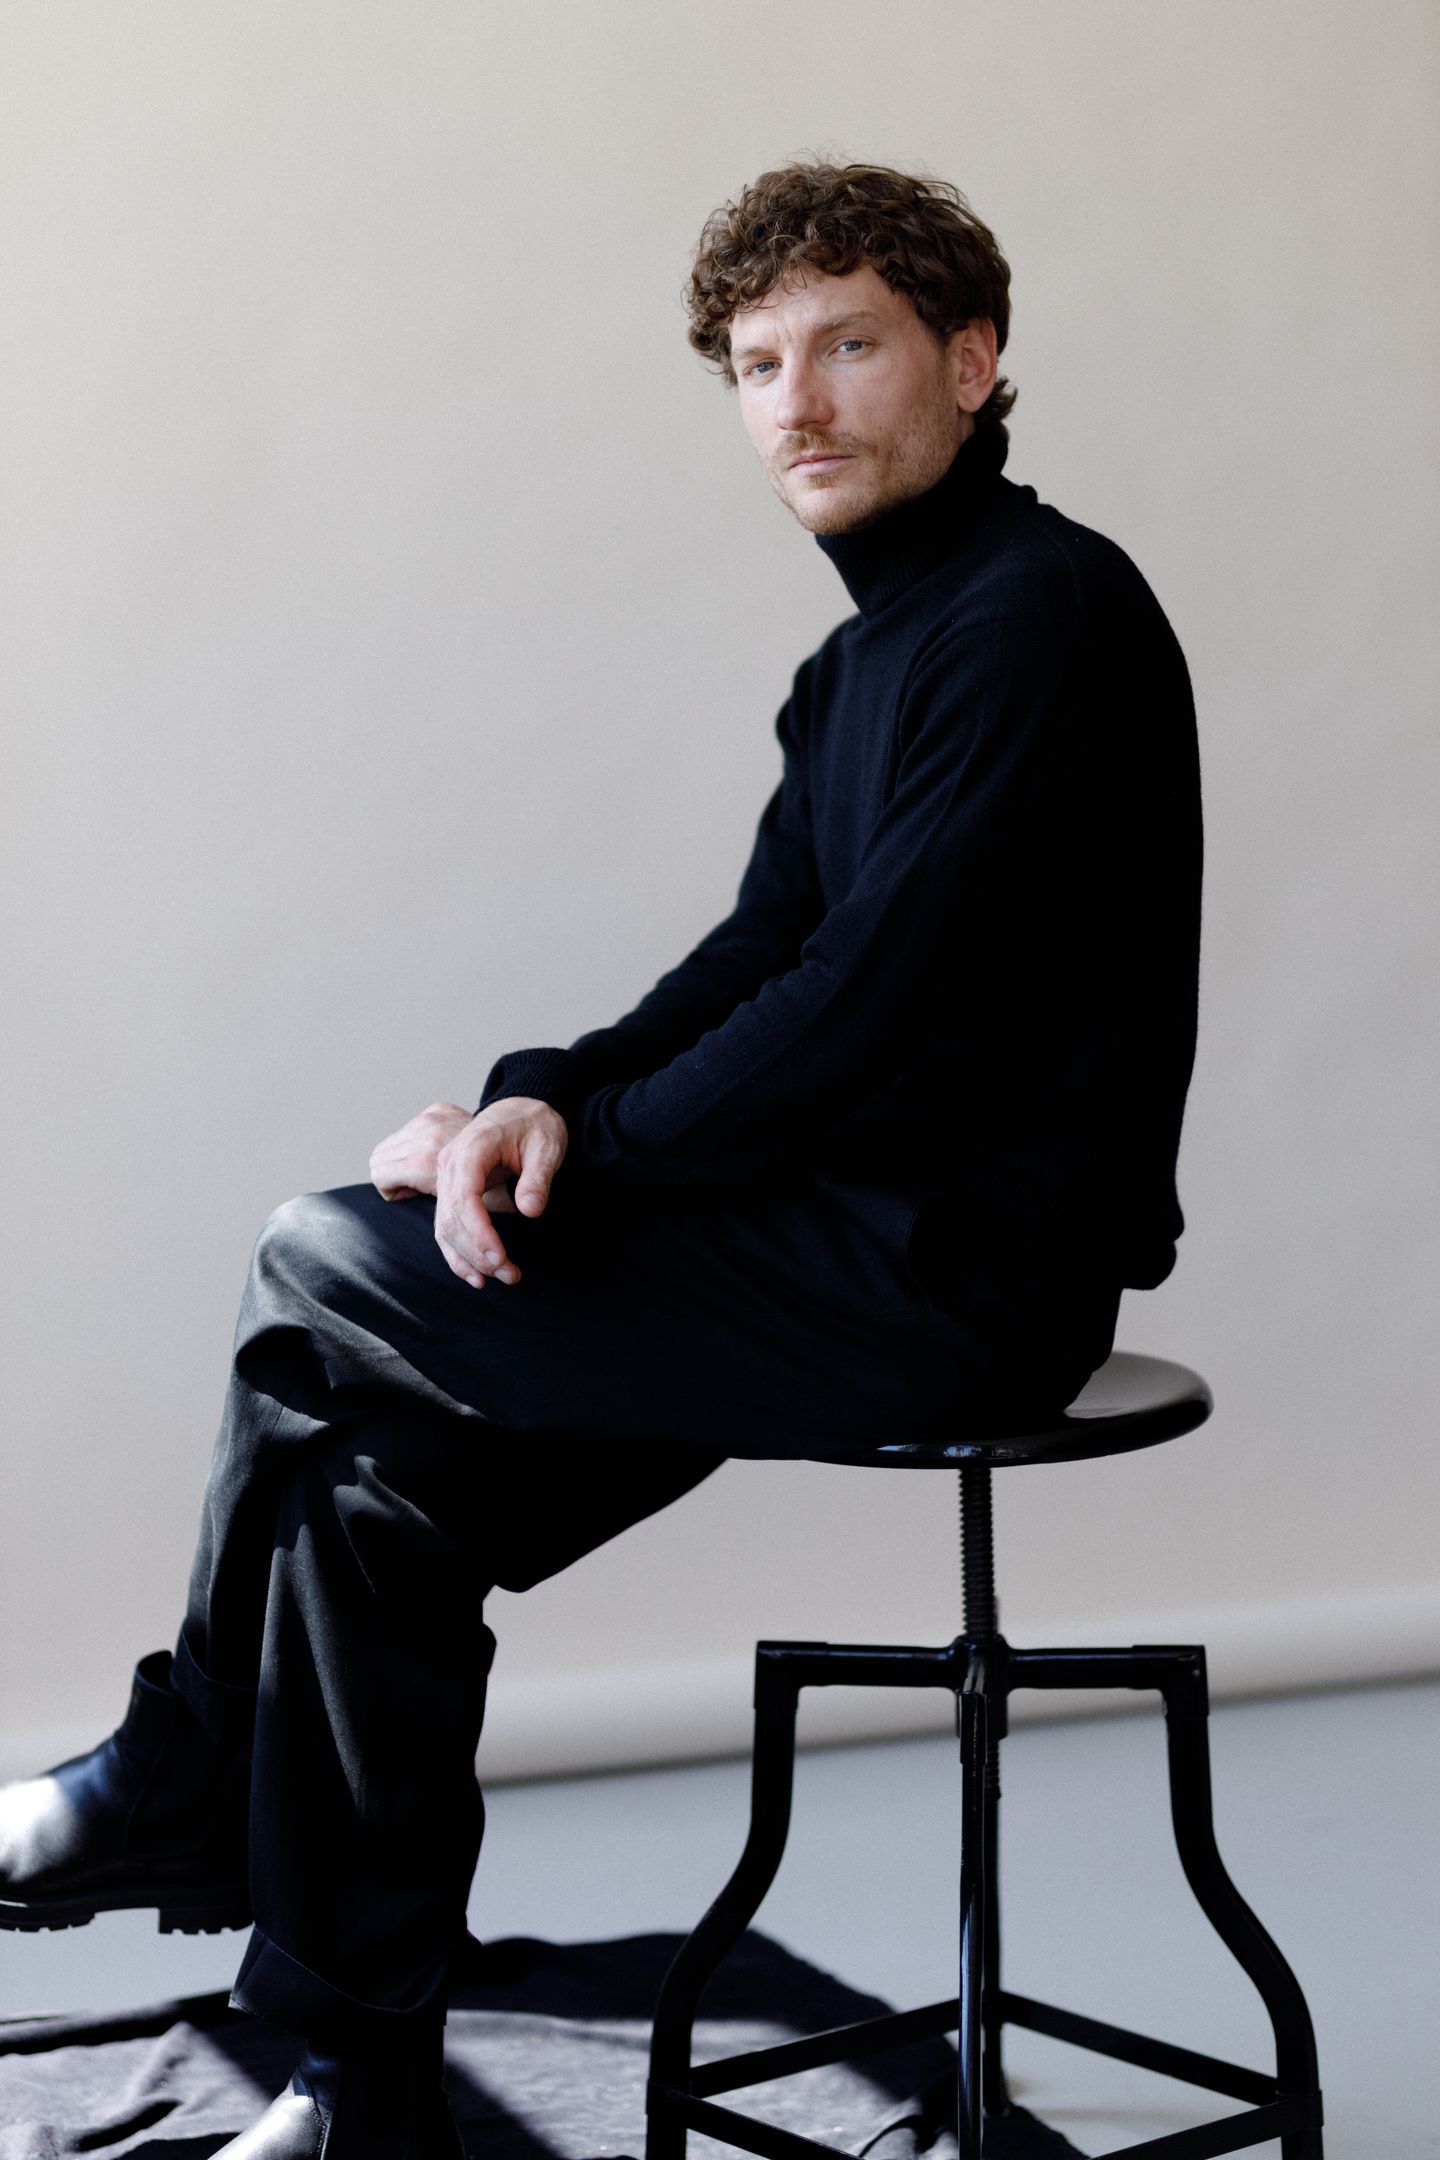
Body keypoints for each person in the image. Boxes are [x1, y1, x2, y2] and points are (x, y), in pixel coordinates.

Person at [0, 159, 1202, 2154]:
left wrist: (578, 1162)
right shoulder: (856, 668)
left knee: (319, 1252)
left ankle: (184, 1760)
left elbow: (864, 1006)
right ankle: (357, 2076)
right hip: (813, 1243)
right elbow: (755, 958)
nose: (797, 401)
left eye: (849, 345)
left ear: (973, 362)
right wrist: (534, 1100)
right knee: (370, 1497)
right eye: (757, 365)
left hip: (955, 1280)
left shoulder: (1040, 612)